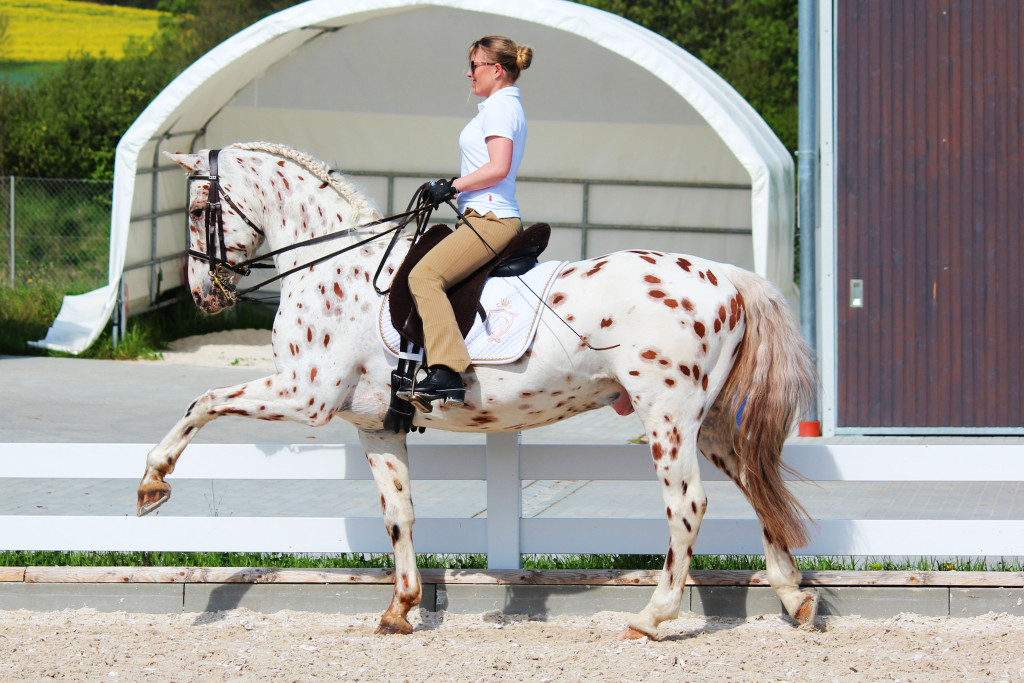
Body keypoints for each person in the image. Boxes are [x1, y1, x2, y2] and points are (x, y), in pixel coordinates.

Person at [398, 35, 533, 411]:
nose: (469, 73)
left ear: (497, 69)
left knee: (424, 277)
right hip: (480, 213)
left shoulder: (501, 108)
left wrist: (453, 186)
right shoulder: (496, 107)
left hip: (492, 217)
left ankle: (447, 373)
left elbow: (498, 167)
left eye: (474, 65)